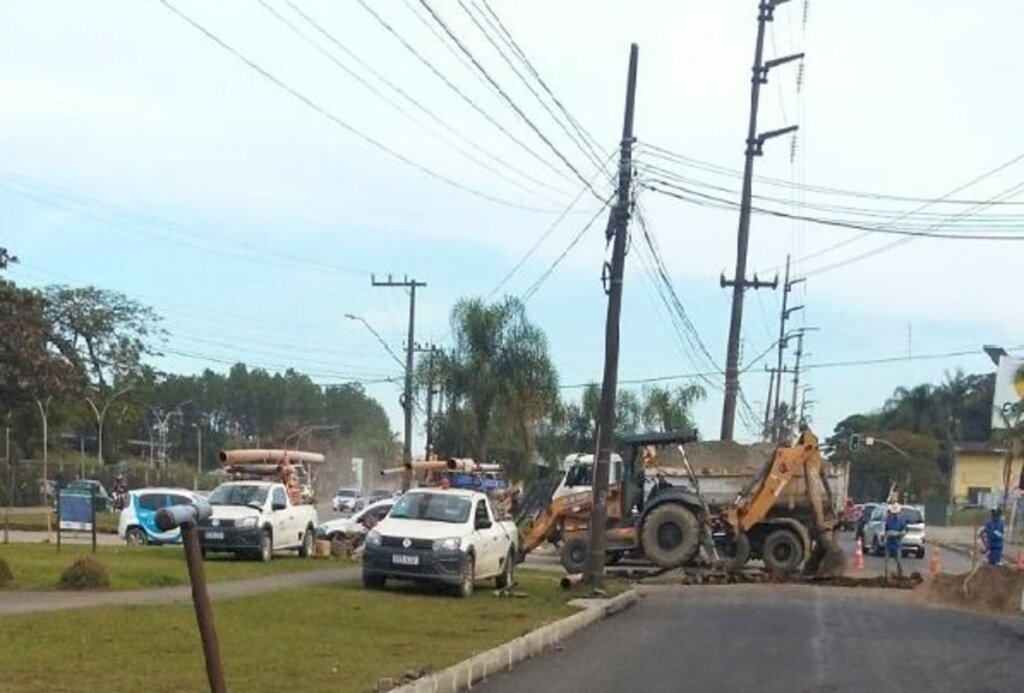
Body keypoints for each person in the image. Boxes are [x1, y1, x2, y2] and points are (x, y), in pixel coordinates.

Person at [883, 502, 908, 578]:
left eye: (895, 513)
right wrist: (886, 535)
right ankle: (886, 575)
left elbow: (904, 532)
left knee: (898, 560)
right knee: (886, 560)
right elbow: (886, 530)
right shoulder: (889, 521)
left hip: (897, 543)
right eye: (893, 513)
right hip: (889, 543)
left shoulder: (901, 521)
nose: (894, 515)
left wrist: (897, 534)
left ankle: (900, 574)